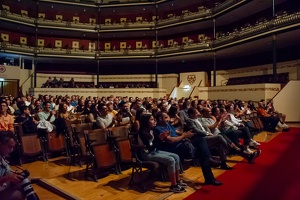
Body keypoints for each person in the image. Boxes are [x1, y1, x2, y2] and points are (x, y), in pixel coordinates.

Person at [154, 111, 223, 186]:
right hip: (174, 149)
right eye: (166, 117)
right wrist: (184, 136)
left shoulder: (168, 125)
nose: (168, 119)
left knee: (200, 140)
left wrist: (187, 134)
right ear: (160, 118)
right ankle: (209, 173)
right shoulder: (158, 128)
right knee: (203, 153)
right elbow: (171, 140)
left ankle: (209, 168)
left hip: (181, 145)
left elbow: (177, 132)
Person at [138, 114, 187, 193]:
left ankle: (178, 181)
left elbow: (156, 145)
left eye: (154, 119)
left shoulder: (152, 130)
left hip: (154, 151)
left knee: (176, 156)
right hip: (146, 154)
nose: (154, 121)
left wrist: (162, 138)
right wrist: (160, 138)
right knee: (170, 160)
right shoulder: (142, 132)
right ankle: (173, 185)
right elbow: (150, 148)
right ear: (146, 122)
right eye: (152, 120)